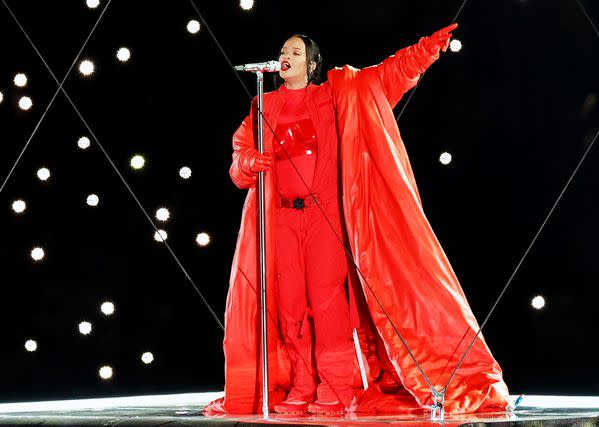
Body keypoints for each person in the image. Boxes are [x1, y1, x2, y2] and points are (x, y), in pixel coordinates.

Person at [204, 23, 510, 416]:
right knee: (292, 305)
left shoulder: (336, 93)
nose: (287, 56)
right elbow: (239, 158)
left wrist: (423, 50)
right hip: (280, 216)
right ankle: (302, 386)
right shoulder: (264, 105)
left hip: (323, 212)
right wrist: (249, 162)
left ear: (312, 64)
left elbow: (387, 76)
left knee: (326, 301)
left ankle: (335, 389)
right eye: (285, 50)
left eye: (297, 52)